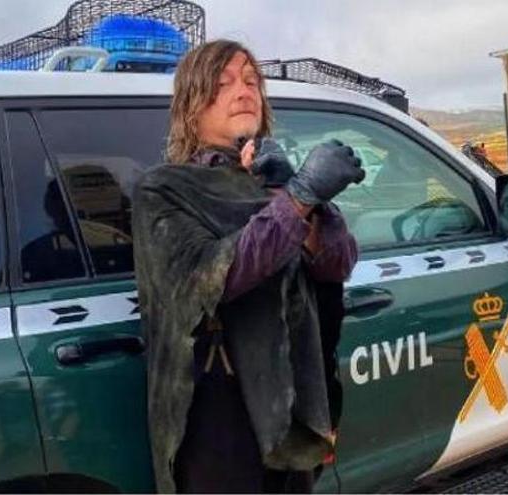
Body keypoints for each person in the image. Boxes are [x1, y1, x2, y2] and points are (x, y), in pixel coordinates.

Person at [131, 39, 362, 493]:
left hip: (291, 395)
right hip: (218, 409)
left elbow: (337, 264)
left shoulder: (275, 182)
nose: (244, 91)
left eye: (252, 81)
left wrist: (289, 190)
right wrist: (299, 197)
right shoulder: (164, 189)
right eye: (223, 83)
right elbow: (210, 277)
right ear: (193, 105)